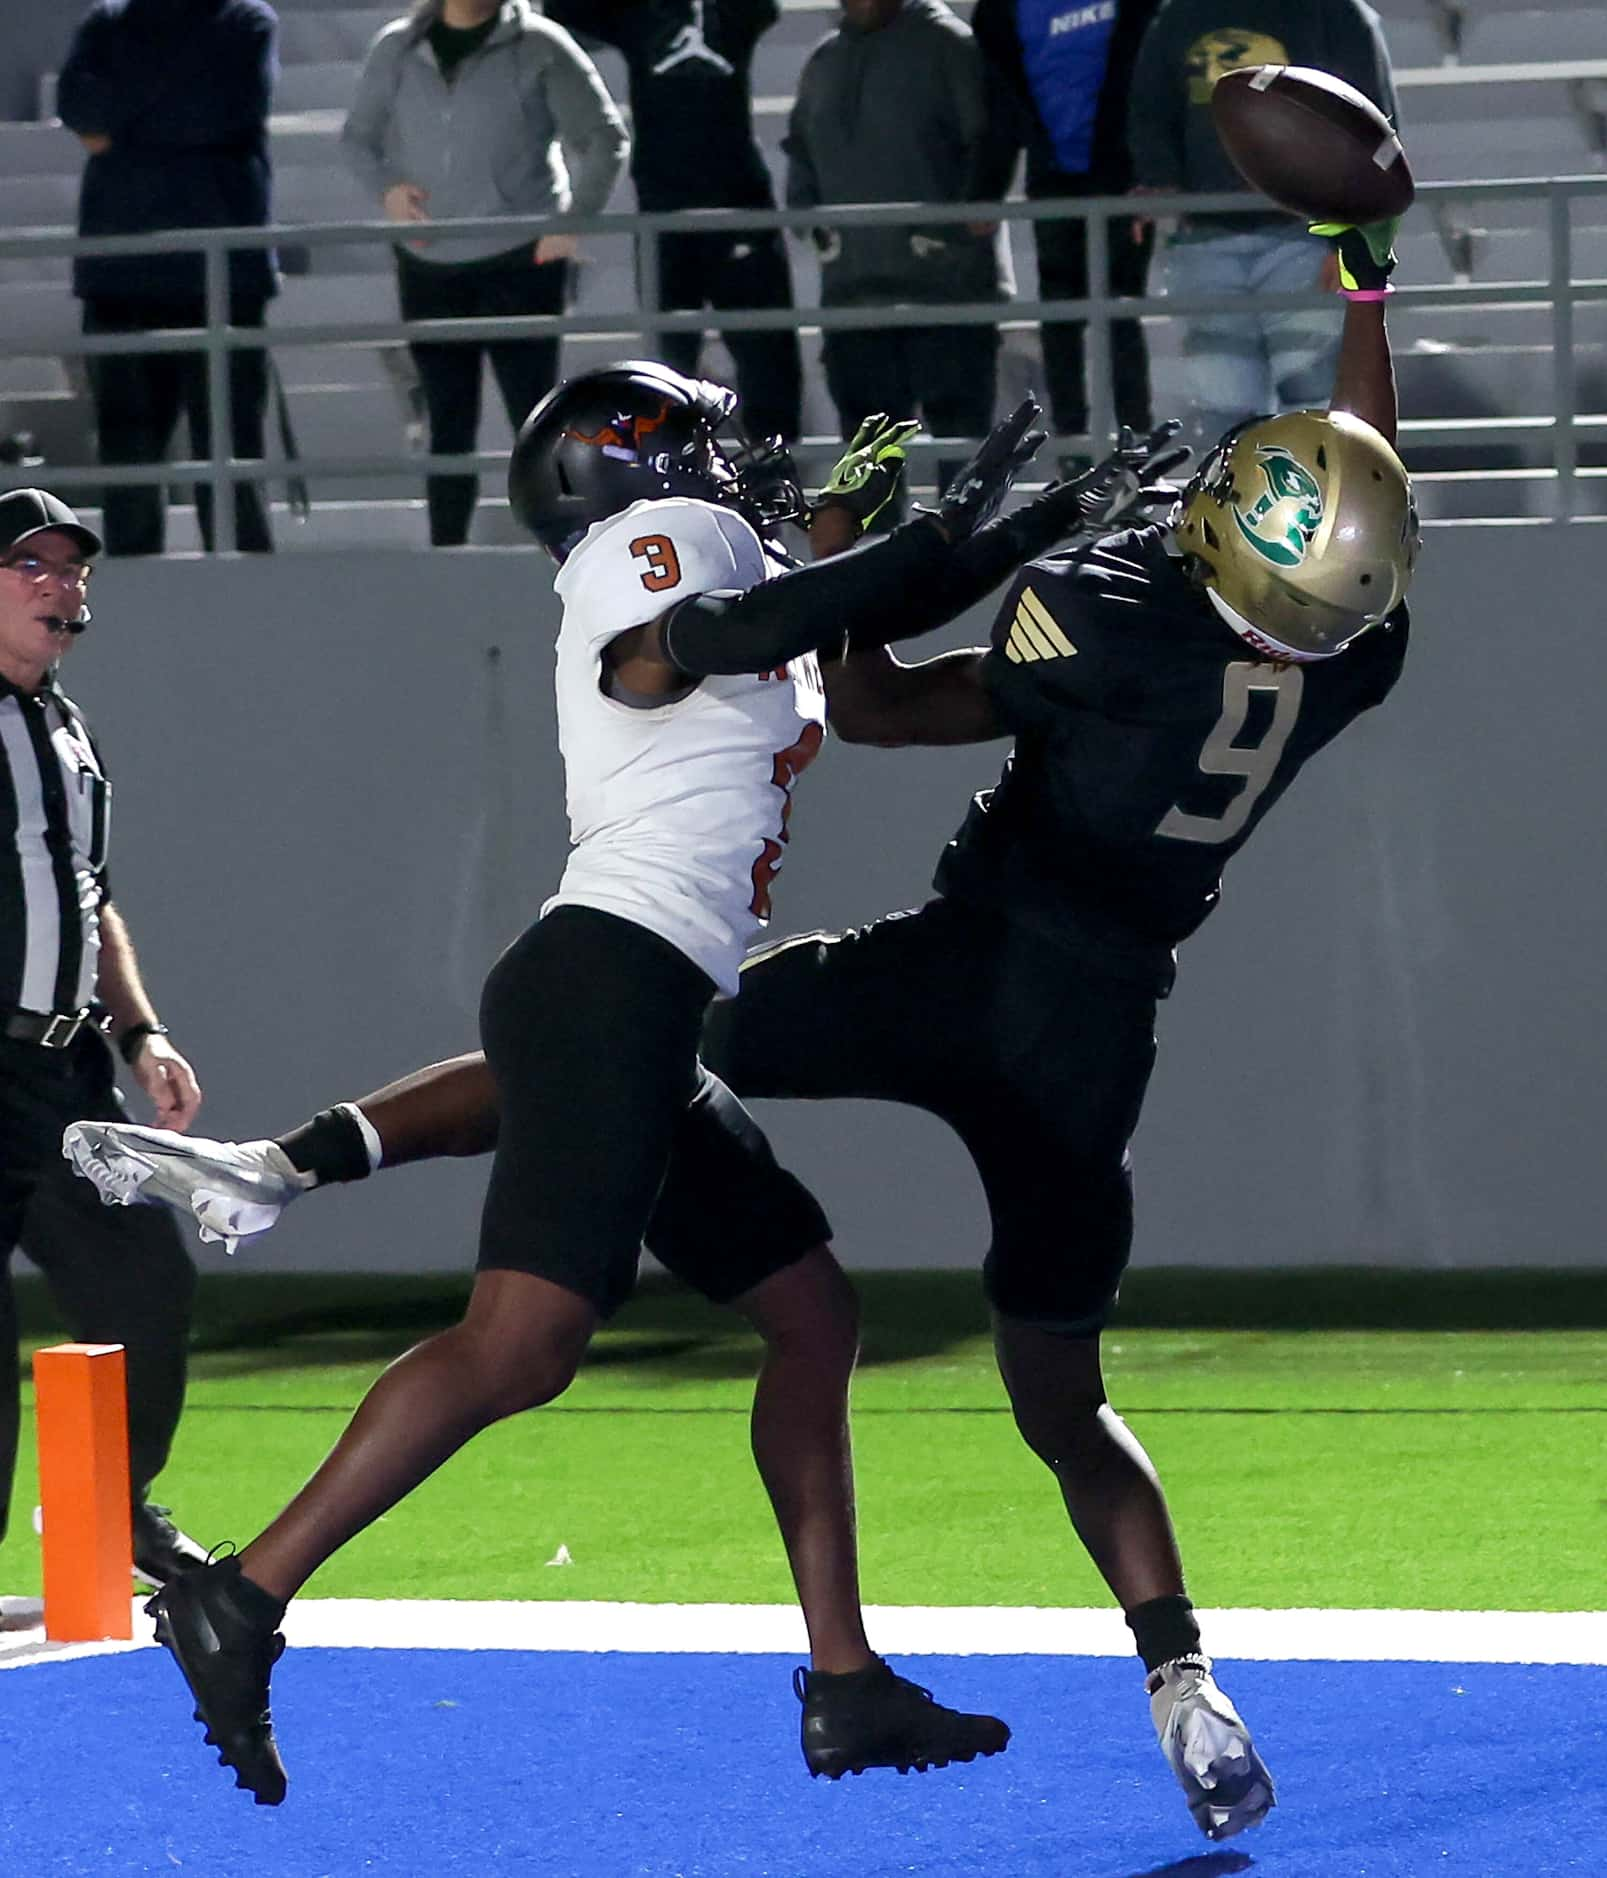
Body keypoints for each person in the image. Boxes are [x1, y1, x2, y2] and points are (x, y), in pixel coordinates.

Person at [71, 219, 1413, 1841]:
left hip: (799, 971)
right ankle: (251, 1571)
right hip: (768, 982)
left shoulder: (843, 570)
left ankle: (842, 1681)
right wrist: (944, 546)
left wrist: (888, 545)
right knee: (533, 1340)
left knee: (805, 1305)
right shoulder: (667, 554)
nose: (734, 459)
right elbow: (683, 647)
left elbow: (826, 661)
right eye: (698, 442)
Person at [0, 489, 209, 1600]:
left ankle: (115, 1511)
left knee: (147, 1291)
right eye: (26, 565)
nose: (56, 585)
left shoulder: (66, 725)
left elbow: (89, 898)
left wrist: (142, 1030)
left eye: (70, 569)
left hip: (69, 1070)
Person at [342, 0, 629, 546]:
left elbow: (605, 137)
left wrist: (573, 220)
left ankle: (564, 552)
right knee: (447, 425)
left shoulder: (542, 45)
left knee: (536, 418)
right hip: (428, 263)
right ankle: (445, 550)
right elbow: (357, 138)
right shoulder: (396, 48)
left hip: (520, 260)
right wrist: (389, 190)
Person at [58, 0, 280, 557]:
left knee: (232, 465)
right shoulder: (105, 22)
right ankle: (137, 620)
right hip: (120, 278)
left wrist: (124, 123)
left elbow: (223, 112)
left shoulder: (246, 23)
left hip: (222, 280)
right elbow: (76, 106)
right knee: (128, 468)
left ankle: (253, 612)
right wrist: (176, 96)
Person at [1127, 0, 1398, 443]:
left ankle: (1317, 508)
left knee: (1313, 410)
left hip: (1306, 236)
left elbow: (1373, 126)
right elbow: (1150, 111)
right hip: (1206, 241)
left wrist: (1344, 238)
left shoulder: (1335, 13)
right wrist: (1157, 180)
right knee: (1225, 423)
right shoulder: (1179, 16)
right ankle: (1237, 511)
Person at [544, 0, 803, 443]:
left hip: (739, 206)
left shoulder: (735, 11)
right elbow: (564, 10)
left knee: (770, 369)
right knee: (665, 381)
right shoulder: (639, 12)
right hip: (664, 216)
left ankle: (776, 495)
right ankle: (677, 487)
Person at [785, 0, 1011, 500]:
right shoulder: (824, 59)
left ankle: (967, 567)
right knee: (867, 470)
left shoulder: (949, 44)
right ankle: (874, 569)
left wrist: (964, 221)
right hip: (853, 297)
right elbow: (798, 149)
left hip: (948, 293)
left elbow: (990, 140)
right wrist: (810, 221)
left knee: (961, 462)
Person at [971, 0, 1162, 462]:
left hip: (1121, 176)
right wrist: (986, 191)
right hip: (1053, 179)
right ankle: (1073, 455)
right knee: (1060, 318)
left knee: (1120, 312)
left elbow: (1154, 84)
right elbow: (1002, 109)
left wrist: (1153, 173)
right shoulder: (1002, 14)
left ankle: (1137, 458)